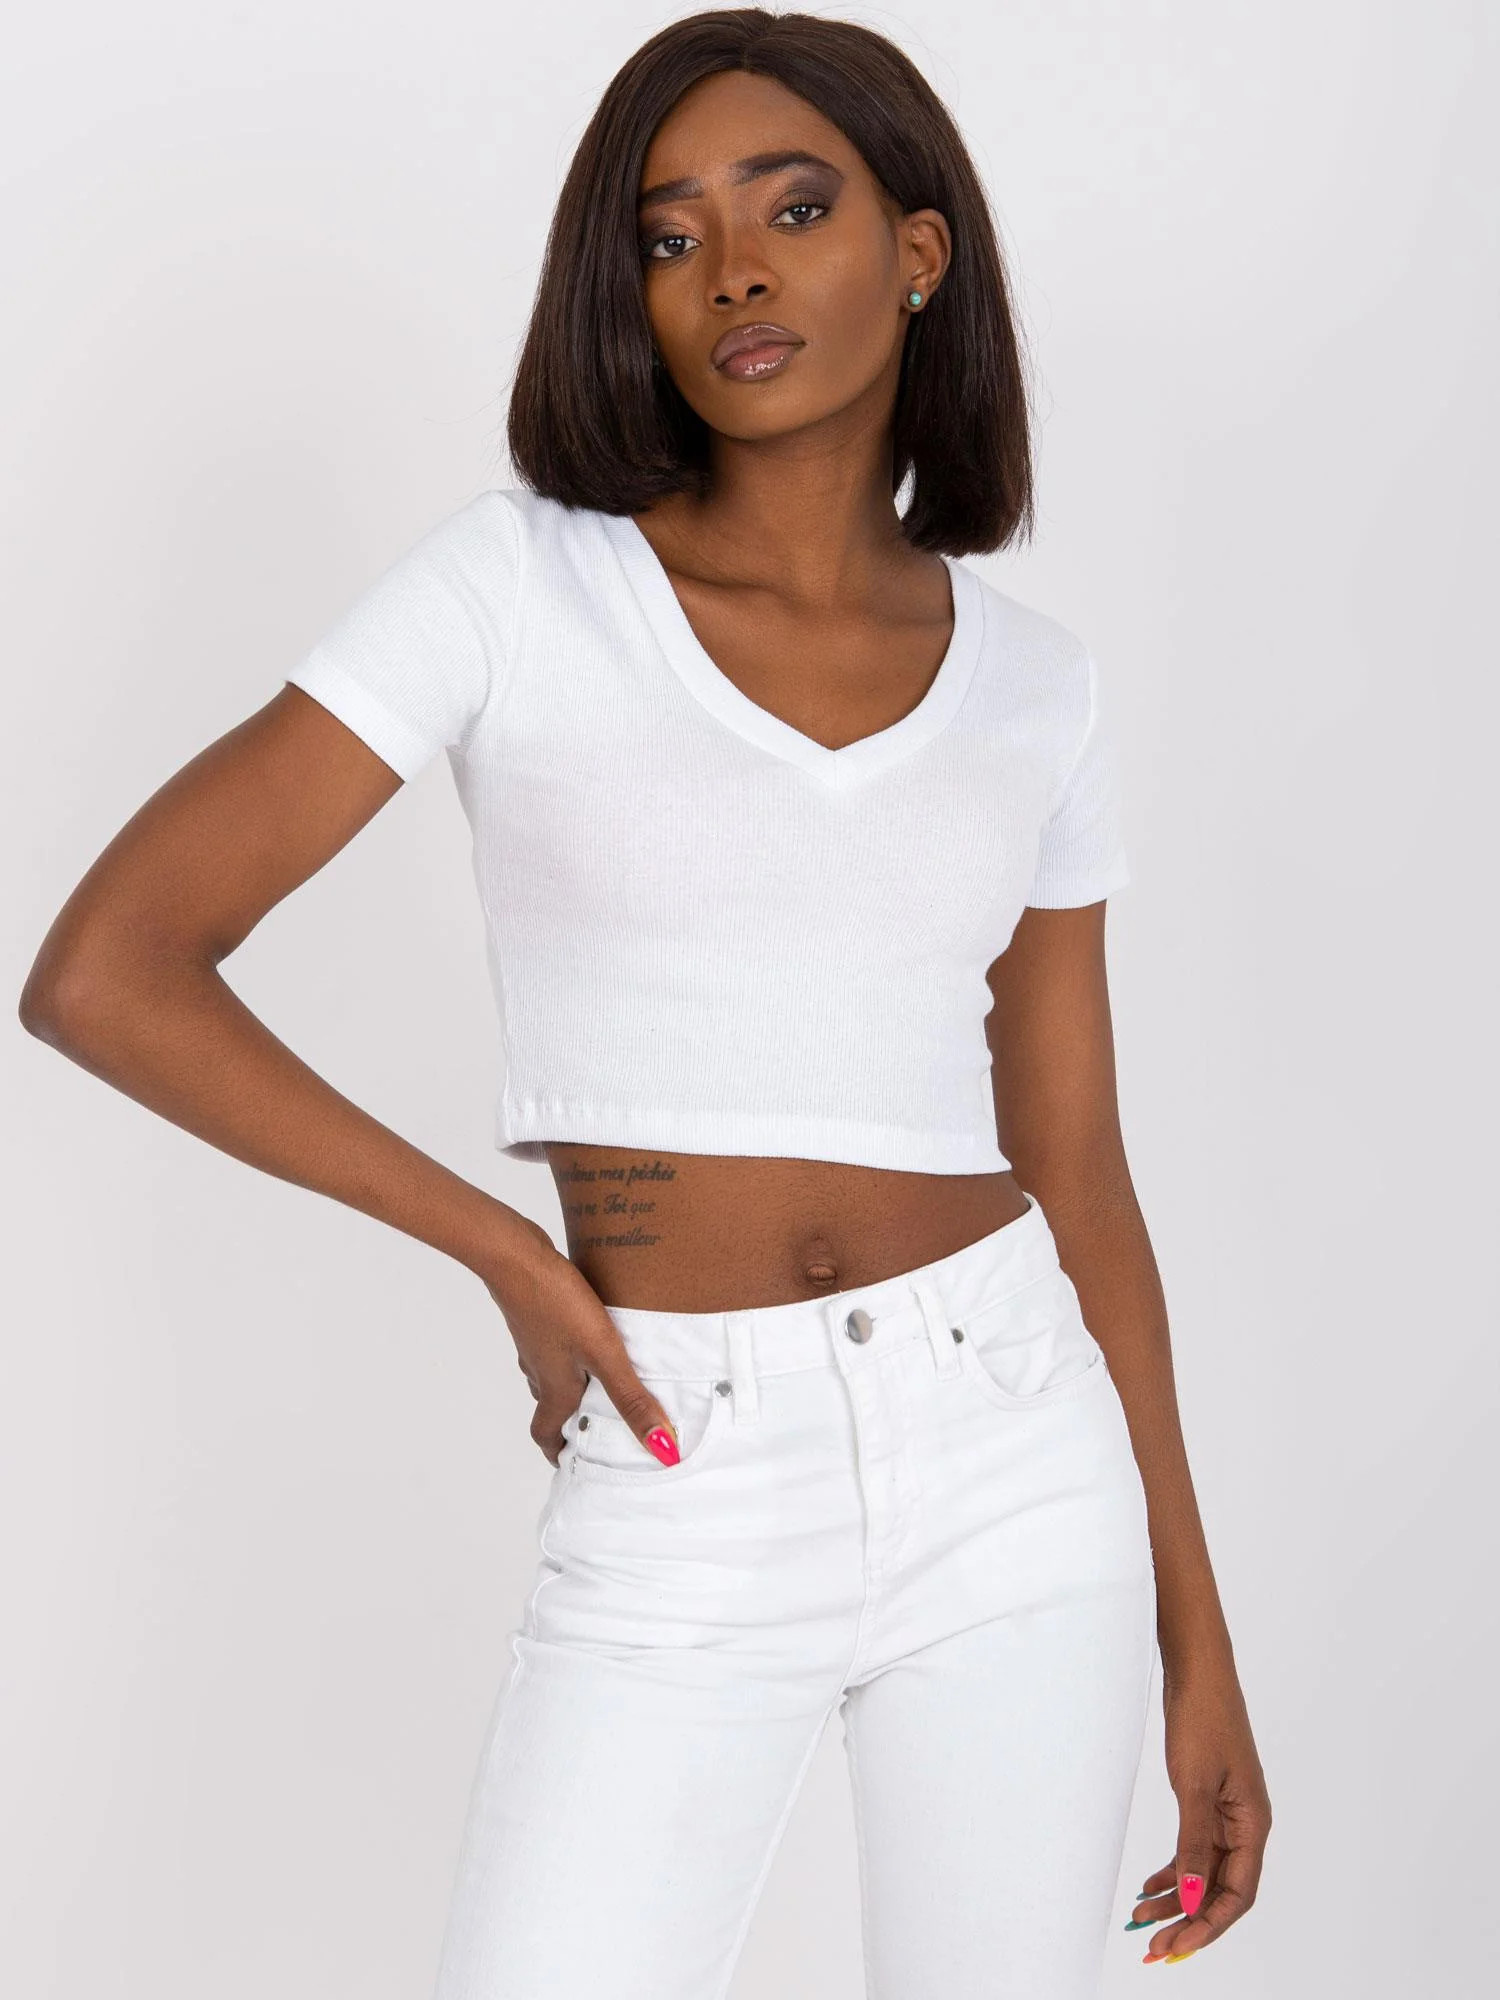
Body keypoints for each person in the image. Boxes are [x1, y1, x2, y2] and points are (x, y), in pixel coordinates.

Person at [19, 9, 1271, 1995]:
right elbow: (109, 970)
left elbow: (1079, 1166)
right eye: (671, 239)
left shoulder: (1039, 684)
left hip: (1016, 1452)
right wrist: (509, 1251)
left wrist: (1200, 1646)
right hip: (687, 1454)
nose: (734, 270)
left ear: (919, 253)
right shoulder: (518, 589)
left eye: (794, 209)